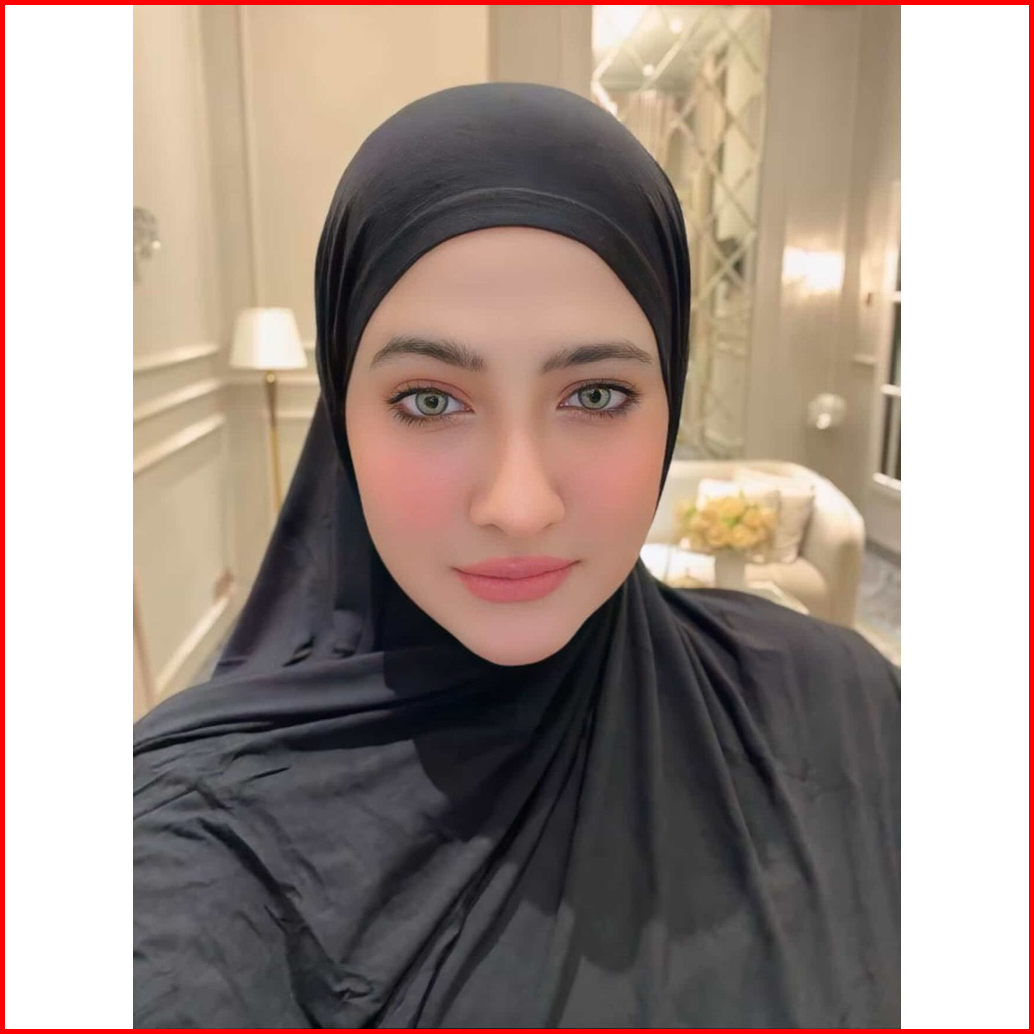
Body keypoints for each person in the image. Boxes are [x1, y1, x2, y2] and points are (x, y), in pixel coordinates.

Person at [134, 83, 900, 1028]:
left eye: (596, 395)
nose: (520, 506)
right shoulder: (191, 833)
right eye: (429, 401)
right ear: (343, 420)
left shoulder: (848, 705)